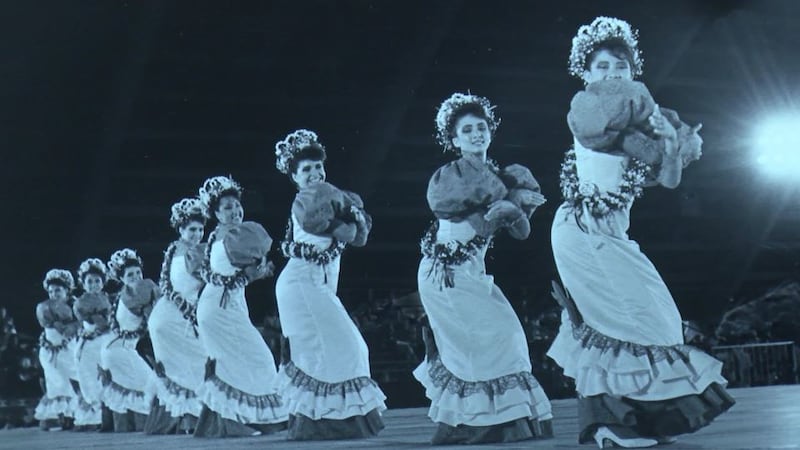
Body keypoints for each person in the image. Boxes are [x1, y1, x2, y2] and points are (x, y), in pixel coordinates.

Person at [546, 16, 734, 448]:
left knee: (660, 322)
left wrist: (670, 143)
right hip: (583, 229)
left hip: (611, 231)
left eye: (620, 66)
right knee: (625, 322)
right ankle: (613, 424)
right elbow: (613, 139)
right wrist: (661, 135)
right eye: (602, 66)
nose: (612, 74)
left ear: (633, 71)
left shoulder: (641, 121)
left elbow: (668, 179)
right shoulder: (589, 109)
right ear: (587, 72)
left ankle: (643, 419)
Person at [414, 92, 553, 445]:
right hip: (443, 273)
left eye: (481, 127)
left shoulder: (505, 177)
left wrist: (516, 206)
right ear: (455, 139)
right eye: (467, 130)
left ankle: (491, 421)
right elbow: (478, 221)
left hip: (470, 272)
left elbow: (521, 233)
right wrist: (509, 204)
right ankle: (474, 424)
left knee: (507, 336)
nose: (477, 134)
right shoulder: (451, 176)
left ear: (490, 131)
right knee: (484, 341)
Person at [273, 129, 387, 440]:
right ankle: (325, 422)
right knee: (347, 346)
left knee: (327, 352)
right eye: (305, 170)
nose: (314, 174)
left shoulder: (332, 197)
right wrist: (351, 218)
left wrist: (351, 217)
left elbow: (358, 237)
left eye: (317, 167)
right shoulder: (306, 203)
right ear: (295, 177)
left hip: (315, 286)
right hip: (300, 284)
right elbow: (349, 234)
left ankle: (326, 424)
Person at [193, 175, 288, 437]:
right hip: (221, 308)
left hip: (218, 304)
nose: (235, 211)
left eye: (236, 206)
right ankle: (245, 421)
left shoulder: (218, 236)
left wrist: (254, 274)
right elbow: (245, 274)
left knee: (233, 362)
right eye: (227, 208)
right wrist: (259, 272)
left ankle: (236, 420)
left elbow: (235, 275)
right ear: (215, 213)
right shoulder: (235, 236)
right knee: (259, 358)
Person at [144, 198, 207, 434]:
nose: (197, 234)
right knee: (194, 362)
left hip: (173, 313)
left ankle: (187, 419)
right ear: (181, 229)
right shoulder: (181, 251)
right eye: (192, 229)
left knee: (187, 363)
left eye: (200, 229)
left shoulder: (183, 250)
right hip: (172, 315)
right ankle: (191, 418)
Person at [101, 248, 159, 432]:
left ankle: (129, 427)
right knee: (151, 386)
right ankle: (148, 426)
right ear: (122, 278)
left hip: (113, 349)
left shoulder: (121, 295)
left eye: (138, 272)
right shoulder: (138, 293)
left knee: (138, 387)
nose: (135, 277)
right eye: (130, 274)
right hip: (121, 350)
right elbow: (153, 320)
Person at [34, 269, 79, 431]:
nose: (54, 294)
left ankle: (72, 414)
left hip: (68, 348)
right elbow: (47, 326)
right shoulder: (44, 308)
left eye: (58, 290)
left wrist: (70, 328)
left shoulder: (74, 306)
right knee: (55, 381)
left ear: (67, 290)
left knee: (71, 378)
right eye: (51, 291)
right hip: (50, 349)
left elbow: (77, 325)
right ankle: (58, 416)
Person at [72, 258, 114, 431]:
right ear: (83, 283)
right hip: (90, 340)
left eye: (97, 281)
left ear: (103, 282)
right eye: (89, 281)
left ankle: (110, 410)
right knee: (88, 374)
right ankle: (95, 413)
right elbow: (94, 320)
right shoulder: (81, 302)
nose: (94, 285)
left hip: (106, 339)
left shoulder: (108, 299)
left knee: (107, 372)